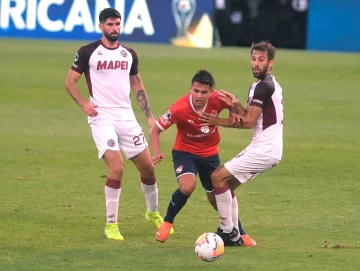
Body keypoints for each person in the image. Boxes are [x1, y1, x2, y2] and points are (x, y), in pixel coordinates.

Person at [64, 8, 172, 241]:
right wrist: (84, 103)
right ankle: (111, 224)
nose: (114, 29)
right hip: (101, 116)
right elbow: (70, 82)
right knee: (117, 166)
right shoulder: (88, 52)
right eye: (110, 25)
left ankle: (152, 213)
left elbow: (137, 85)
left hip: (126, 116)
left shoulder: (129, 54)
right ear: (101, 26)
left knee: (148, 168)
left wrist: (149, 116)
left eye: (117, 24)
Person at [150, 69, 256, 246]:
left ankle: (240, 232)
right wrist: (156, 152)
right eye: (196, 91)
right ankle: (167, 222)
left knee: (219, 200)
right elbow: (156, 130)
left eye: (204, 92)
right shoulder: (179, 108)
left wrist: (234, 109)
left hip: (210, 154)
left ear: (211, 91)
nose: (199, 95)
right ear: (191, 89)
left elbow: (239, 111)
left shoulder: (218, 99)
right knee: (187, 186)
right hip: (185, 153)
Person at [199, 41, 283, 246]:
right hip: (267, 148)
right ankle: (234, 233)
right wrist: (236, 104)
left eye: (261, 60)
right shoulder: (261, 85)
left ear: (270, 63)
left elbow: (247, 123)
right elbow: (250, 116)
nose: (256, 63)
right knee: (225, 185)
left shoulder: (264, 86)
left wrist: (215, 121)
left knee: (217, 177)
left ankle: (228, 232)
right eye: (253, 58)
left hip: (264, 149)